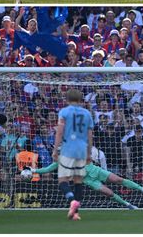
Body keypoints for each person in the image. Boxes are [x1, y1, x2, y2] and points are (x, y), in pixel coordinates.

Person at [33, 149, 143, 210]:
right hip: (88, 180)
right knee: (109, 193)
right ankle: (128, 205)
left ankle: (142, 189)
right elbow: (46, 170)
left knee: (118, 179)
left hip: (96, 171)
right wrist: (33, 171)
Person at [53, 88, 94, 221]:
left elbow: (59, 132)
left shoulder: (64, 112)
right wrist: (89, 153)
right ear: (80, 99)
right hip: (82, 149)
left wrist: (55, 149)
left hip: (68, 148)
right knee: (78, 181)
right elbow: (90, 135)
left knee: (63, 180)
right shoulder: (87, 113)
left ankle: (71, 200)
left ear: (67, 99)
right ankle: (75, 213)